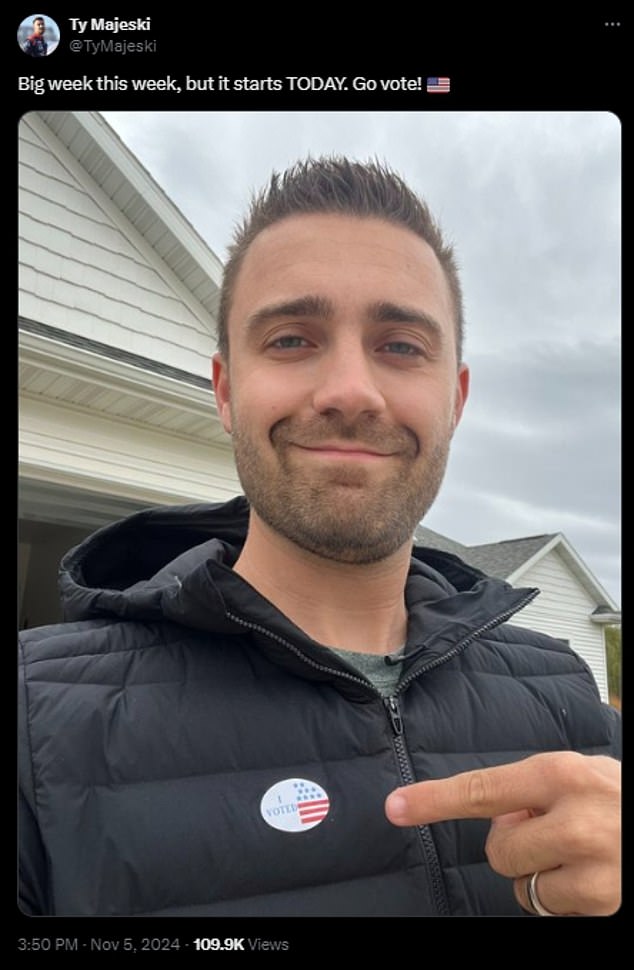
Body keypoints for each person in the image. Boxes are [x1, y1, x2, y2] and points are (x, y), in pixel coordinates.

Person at [18, 157, 621, 918]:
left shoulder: (564, 693)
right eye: (292, 340)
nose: (349, 391)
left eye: (400, 345)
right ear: (227, 391)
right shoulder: (34, 717)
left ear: (455, 398)